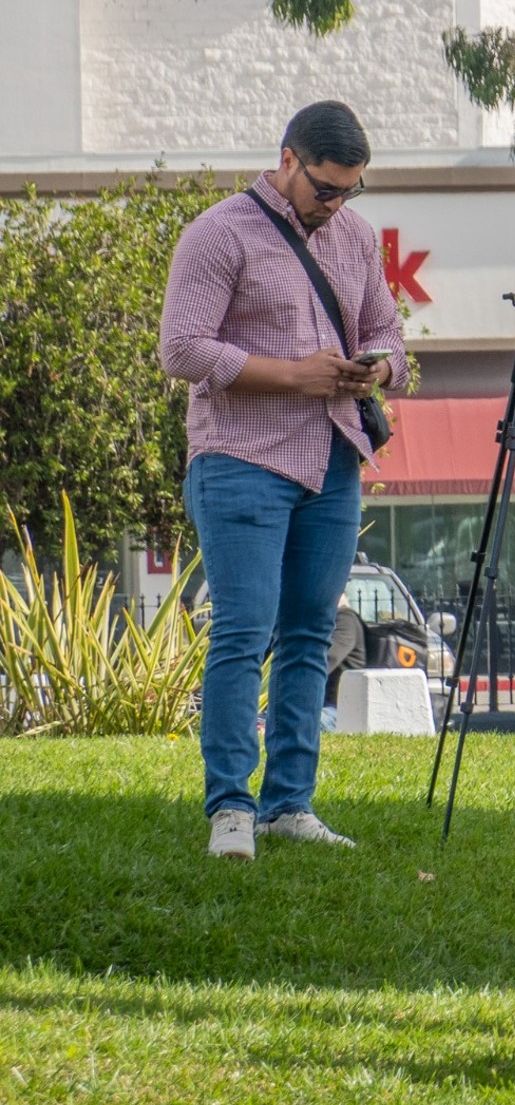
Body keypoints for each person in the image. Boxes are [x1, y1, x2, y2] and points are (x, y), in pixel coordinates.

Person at [161, 100, 406, 859]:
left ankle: (289, 804)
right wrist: (292, 376)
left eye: (350, 191)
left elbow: (387, 330)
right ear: (288, 159)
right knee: (243, 632)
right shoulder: (219, 232)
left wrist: (378, 368)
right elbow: (182, 350)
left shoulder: (357, 239)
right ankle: (230, 807)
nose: (335, 205)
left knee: (311, 633)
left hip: (333, 458)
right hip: (240, 457)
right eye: (326, 188)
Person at [321, 593, 367, 732]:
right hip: (325, 707)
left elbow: (327, 659)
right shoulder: (331, 621)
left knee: (296, 723)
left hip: (338, 709)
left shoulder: (346, 620)